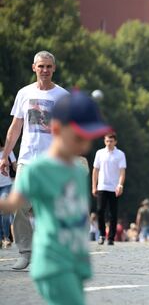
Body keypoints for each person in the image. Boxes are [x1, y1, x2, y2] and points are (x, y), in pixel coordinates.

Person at [0, 91, 111, 305]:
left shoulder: (78, 171)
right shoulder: (37, 170)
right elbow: (13, 204)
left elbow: (78, 214)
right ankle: (25, 252)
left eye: (90, 138)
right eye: (79, 137)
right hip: (53, 263)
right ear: (58, 130)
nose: (85, 146)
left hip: (74, 261)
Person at [0, 51, 69, 270]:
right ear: (34, 68)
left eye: (49, 66)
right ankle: (26, 252)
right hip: (27, 160)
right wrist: (5, 156)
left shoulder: (62, 96)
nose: (45, 70)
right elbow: (16, 128)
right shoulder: (24, 93)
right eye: (41, 66)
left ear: (54, 68)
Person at [92, 133, 126, 245]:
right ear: (104, 141)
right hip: (102, 186)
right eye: (107, 141)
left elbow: (122, 172)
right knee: (100, 211)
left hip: (114, 187)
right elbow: (95, 170)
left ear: (115, 142)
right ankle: (102, 234)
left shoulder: (120, 154)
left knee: (113, 213)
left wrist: (120, 185)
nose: (109, 143)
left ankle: (111, 237)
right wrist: (94, 186)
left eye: (111, 141)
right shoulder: (100, 153)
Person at [0, 136, 17, 248]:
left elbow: (15, 166)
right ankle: (1, 238)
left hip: (6, 185)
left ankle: (6, 236)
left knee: (5, 211)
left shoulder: (7, 151)